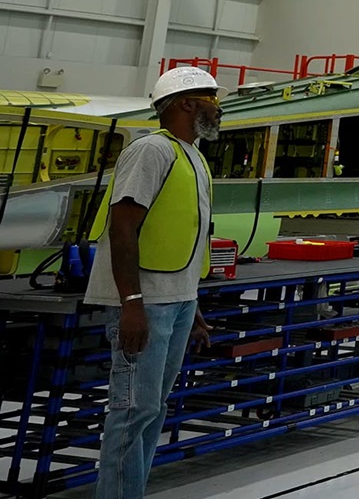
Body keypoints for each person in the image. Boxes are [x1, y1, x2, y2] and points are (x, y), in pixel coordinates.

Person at [87, 66, 220, 499]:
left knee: (151, 410)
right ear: (186, 104)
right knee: (131, 410)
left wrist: (192, 304)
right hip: (146, 304)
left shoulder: (194, 157)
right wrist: (131, 304)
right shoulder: (151, 152)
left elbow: (182, 234)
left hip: (176, 301)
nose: (221, 109)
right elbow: (123, 227)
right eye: (213, 100)